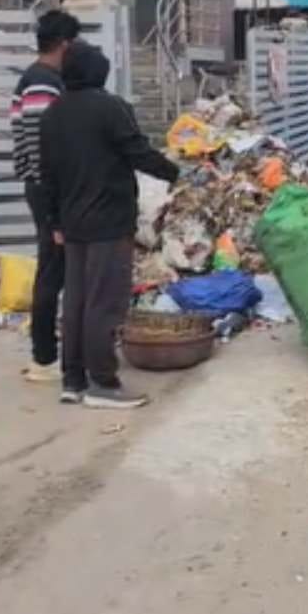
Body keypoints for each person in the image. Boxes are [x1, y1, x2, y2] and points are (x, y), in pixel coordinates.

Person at [40, 41, 179, 408]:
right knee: (104, 302)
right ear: (99, 73)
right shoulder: (109, 107)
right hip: (108, 221)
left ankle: (73, 379)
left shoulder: (52, 113)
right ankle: (102, 382)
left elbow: (48, 174)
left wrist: (54, 219)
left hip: (72, 222)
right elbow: (136, 151)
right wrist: (173, 172)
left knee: (77, 301)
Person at [10, 8, 81, 383]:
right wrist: (54, 209)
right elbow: (41, 148)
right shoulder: (42, 82)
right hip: (48, 189)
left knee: (55, 267)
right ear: (65, 44)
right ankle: (44, 358)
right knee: (53, 268)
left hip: (44, 187)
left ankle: (50, 350)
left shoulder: (42, 79)